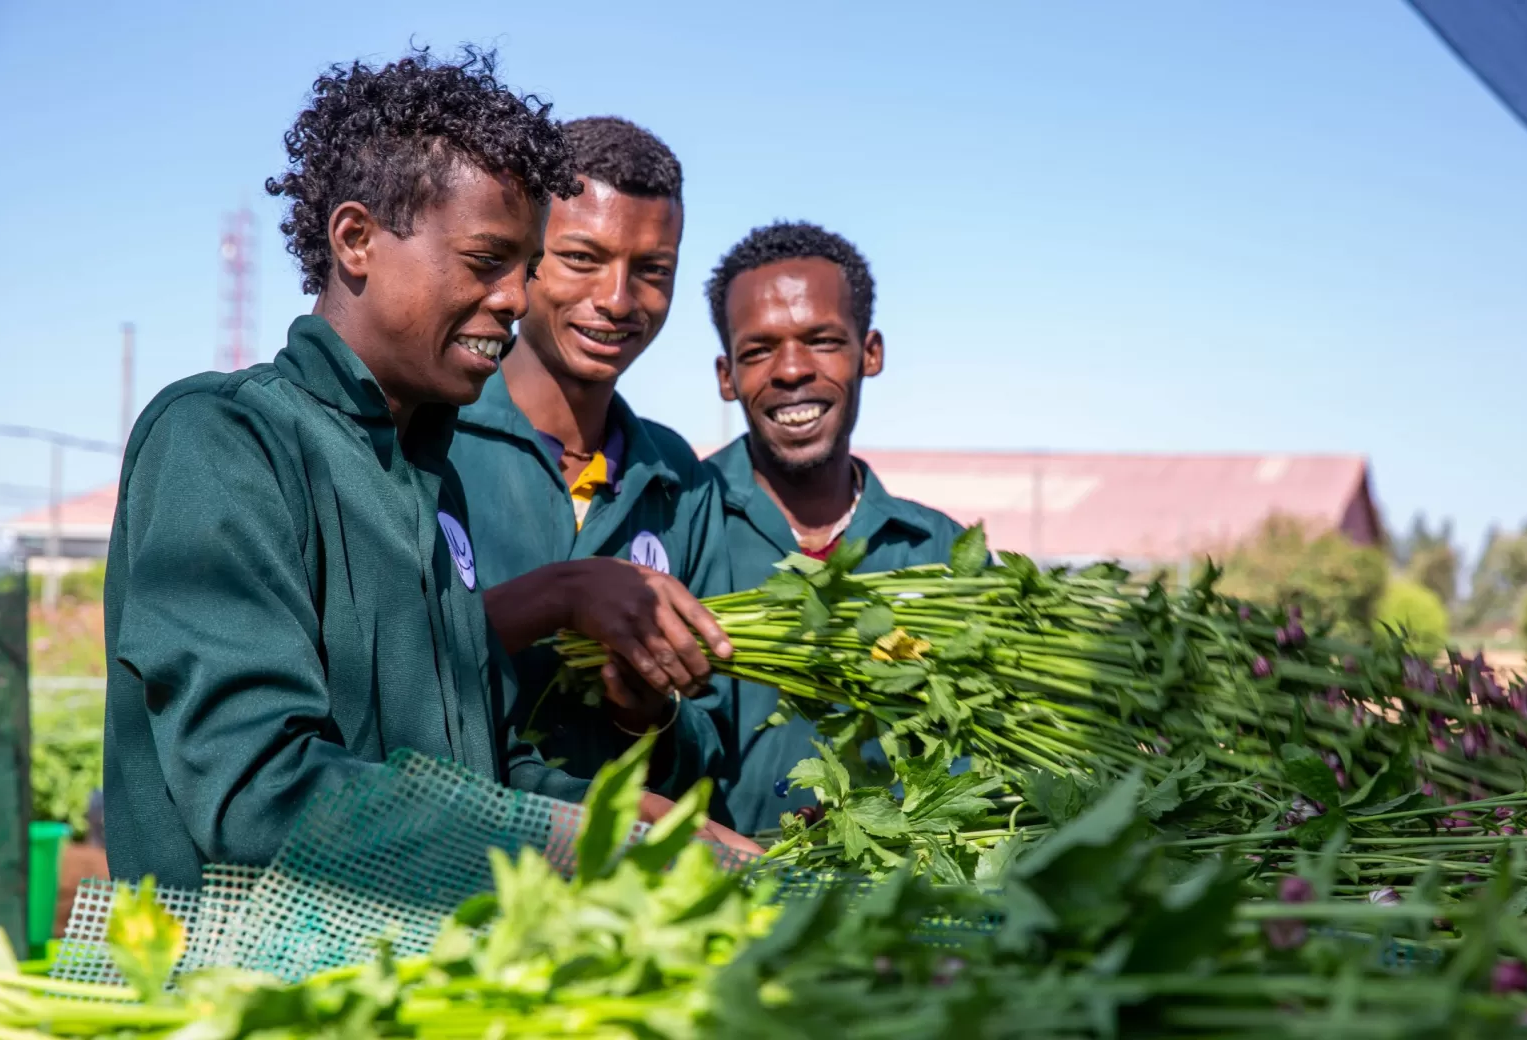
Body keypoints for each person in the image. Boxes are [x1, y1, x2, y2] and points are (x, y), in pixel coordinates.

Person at [102, 51, 750, 889]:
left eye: (524, 267)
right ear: (356, 240)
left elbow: (477, 774)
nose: (518, 298)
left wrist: (638, 824)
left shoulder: (424, 477)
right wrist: (565, 837)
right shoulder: (224, 441)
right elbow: (259, 793)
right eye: (488, 262)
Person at [449, 117, 735, 788]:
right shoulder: (434, 436)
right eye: (583, 258)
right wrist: (558, 598)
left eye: (652, 271)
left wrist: (648, 713)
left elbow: (711, 747)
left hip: (628, 882)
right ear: (526, 258)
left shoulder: (679, 480)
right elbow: (383, 677)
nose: (616, 300)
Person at [701, 221, 968, 835]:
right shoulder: (679, 523)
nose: (792, 370)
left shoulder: (942, 554)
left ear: (869, 353)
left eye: (822, 340)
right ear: (725, 375)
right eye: (759, 349)